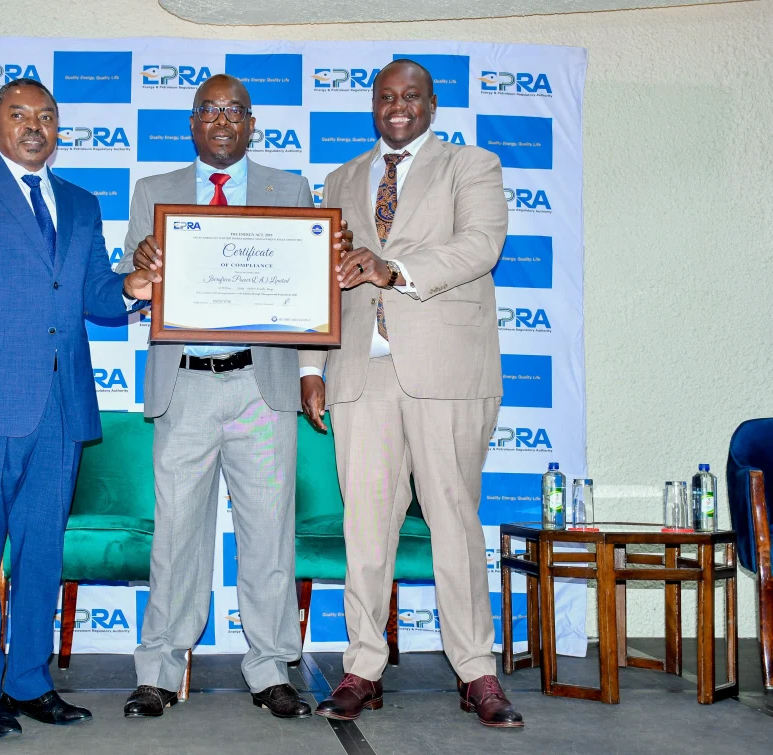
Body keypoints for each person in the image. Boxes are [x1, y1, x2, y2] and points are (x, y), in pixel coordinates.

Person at [0, 78, 155, 739]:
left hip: (62, 403)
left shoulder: (79, 201)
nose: (33, 125)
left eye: (46, 116)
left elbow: (96, 295)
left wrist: (132, 286)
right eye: (18, 114)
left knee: (43, 552)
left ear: (58, 127)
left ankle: (28, 681)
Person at [116, 73, 350, 720]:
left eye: (234, 110)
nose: (221, 120)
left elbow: (311, 292)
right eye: (209, 109)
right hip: (184, 381)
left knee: (269, 535)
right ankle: (160, 669)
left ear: (252, 125)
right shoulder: (153, 192)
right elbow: (129, 285)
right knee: (176, 535)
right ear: (192, 123)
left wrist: (312, 369)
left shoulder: (291, 189)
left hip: (262, 383)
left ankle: (272, 667)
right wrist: (141, 272)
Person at [299, 59, 524, 728]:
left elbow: (481, 246)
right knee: (364, 525)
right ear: (374, 106)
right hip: (359, 374)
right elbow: (322, 275)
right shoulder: (340, 178)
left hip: (447, 372)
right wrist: (312, 363)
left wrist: (392, 268)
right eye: (387, 97)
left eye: (412, 96)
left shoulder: (471, 166)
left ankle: (475, 669)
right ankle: (363, 666)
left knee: (453, 517)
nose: (398, 107)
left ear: (432, 104)